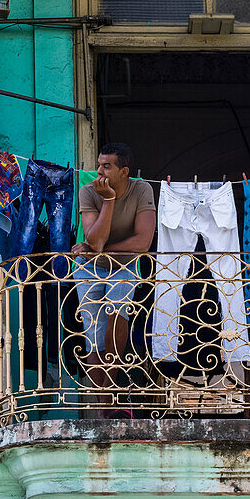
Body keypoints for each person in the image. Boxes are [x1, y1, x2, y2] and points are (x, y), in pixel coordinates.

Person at [70, 142, 156, 412]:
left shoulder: (142, 189)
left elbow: (143, 242)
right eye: (98, 165)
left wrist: (102, 250)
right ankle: (105, 404)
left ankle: (113, 391)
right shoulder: (88, 191)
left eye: (107, 166)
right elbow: (93, 240)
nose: (99, 171)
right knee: (93, 335)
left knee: (117, 319)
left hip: (124, 266)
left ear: (124, 171)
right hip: (88, 268)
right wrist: (108, 200)